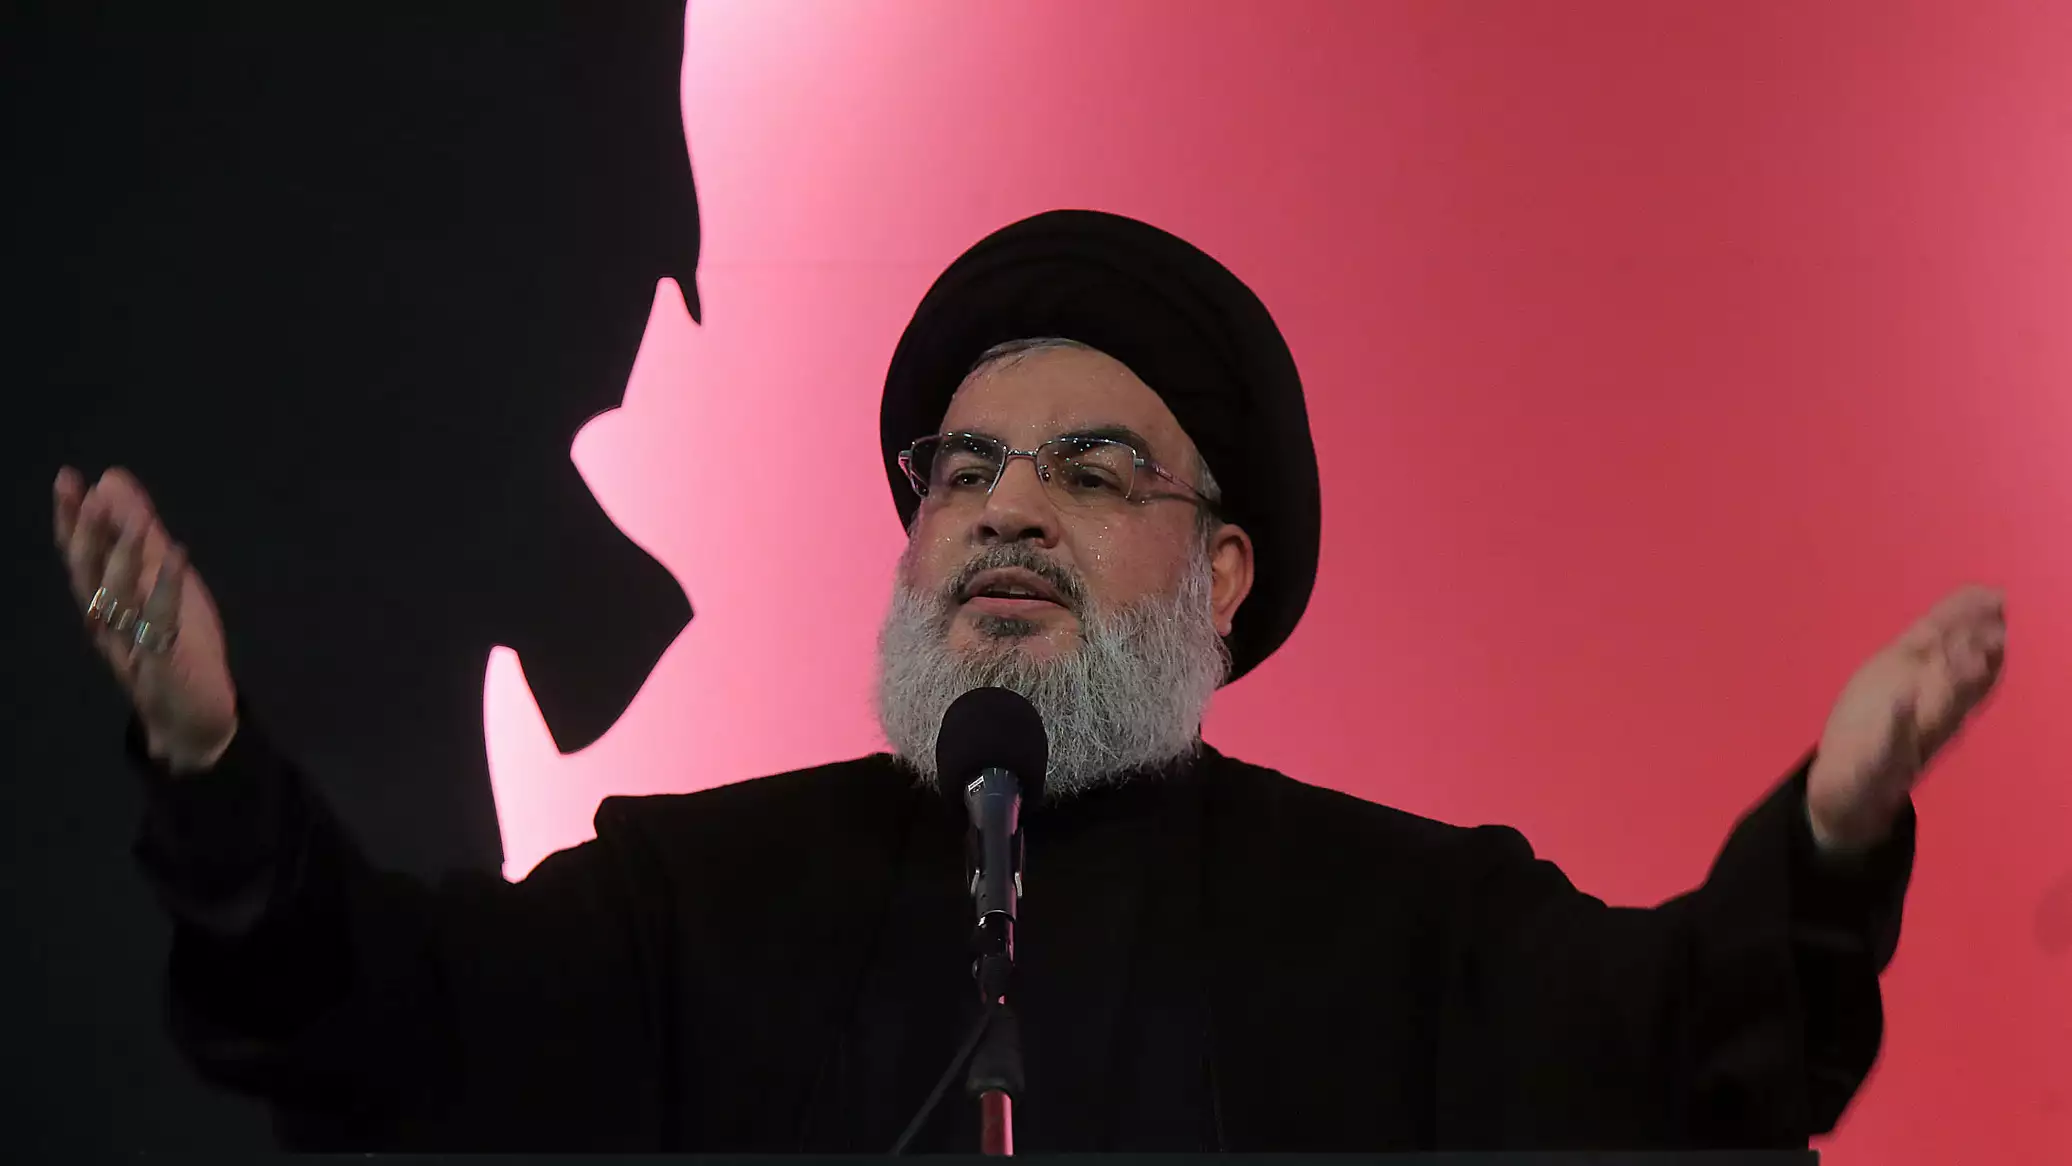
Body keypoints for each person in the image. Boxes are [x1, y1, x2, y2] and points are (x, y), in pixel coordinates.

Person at [51, 211, 2005, 1153]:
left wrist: (1828, 831)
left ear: (1221, 571)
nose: (1006, 511)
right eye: (965, 472)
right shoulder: (693, 897)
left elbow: (1691, 1060)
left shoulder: (1412, 926)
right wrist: (214, 765)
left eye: (1089, 472)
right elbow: (369, 1025)